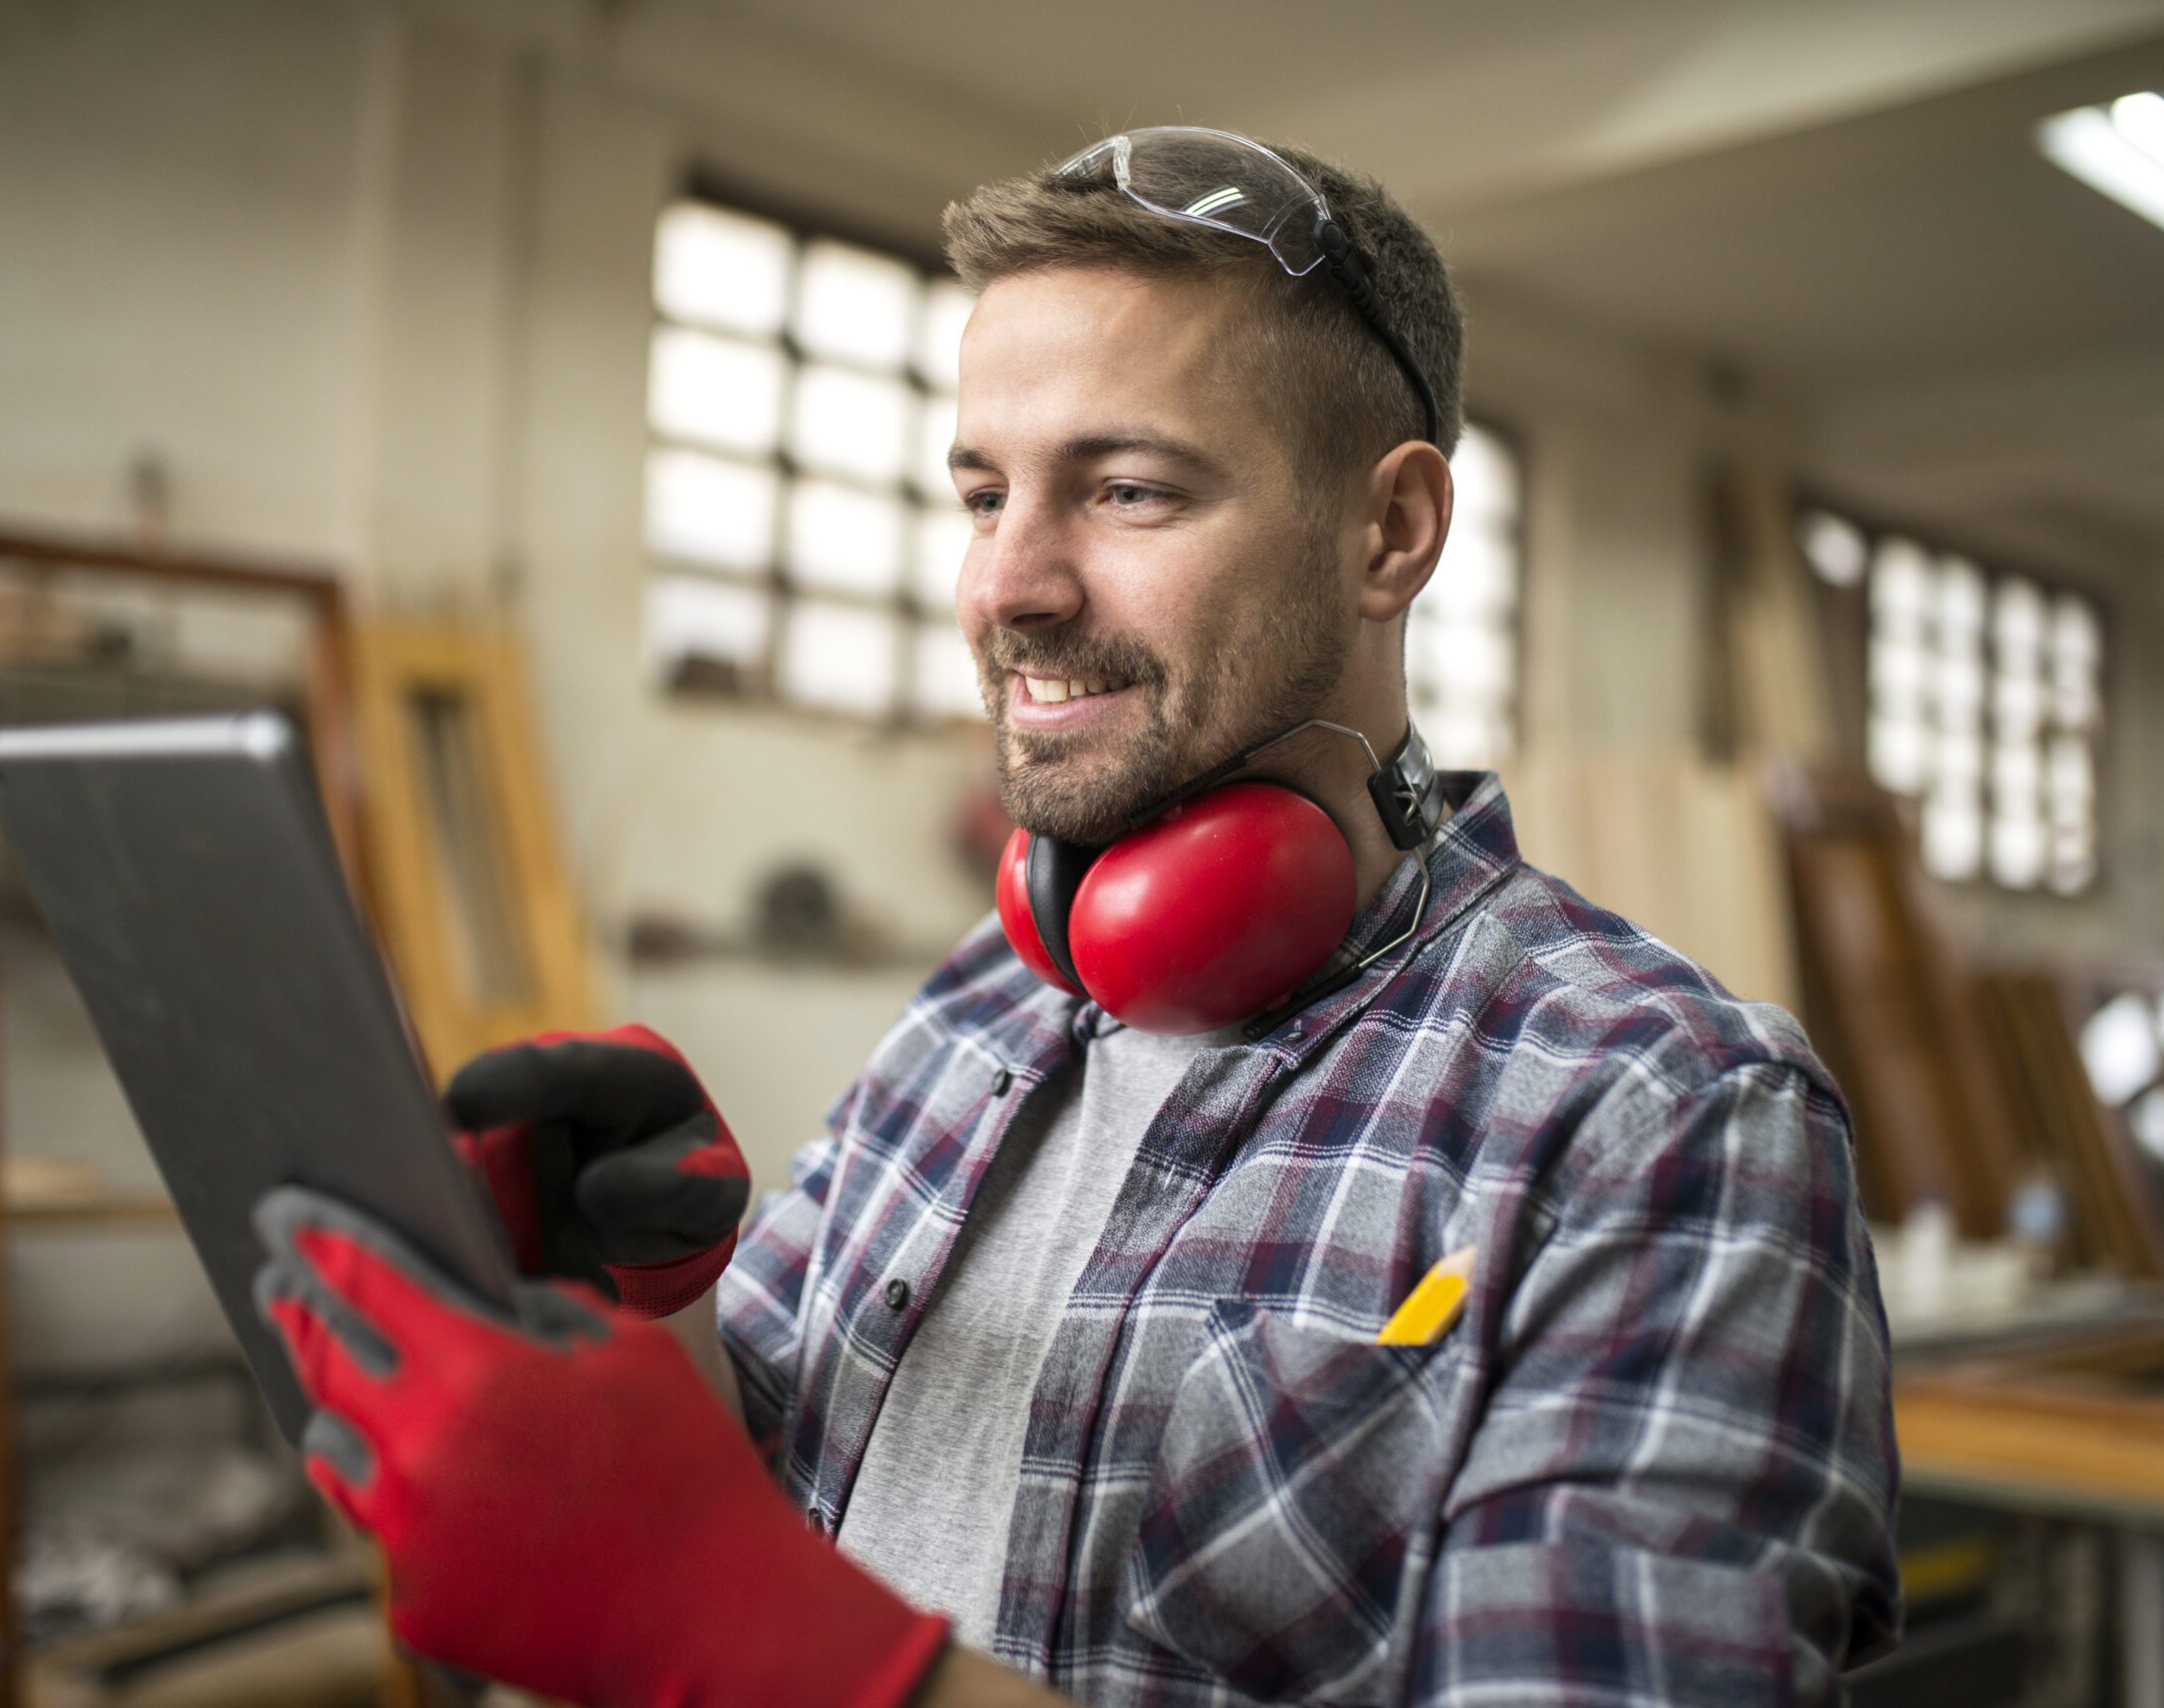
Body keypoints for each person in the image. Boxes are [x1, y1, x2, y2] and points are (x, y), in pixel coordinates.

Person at [255, 127, 1900, 1708]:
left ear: (1388, 533)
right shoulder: (990, 1004)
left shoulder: (1659, 1116)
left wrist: (790, 1662)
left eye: (1125, 492)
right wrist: (643, 1306)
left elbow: (746, 1628)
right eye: (983, 494)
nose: (1006, 586)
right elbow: (768, 1518)